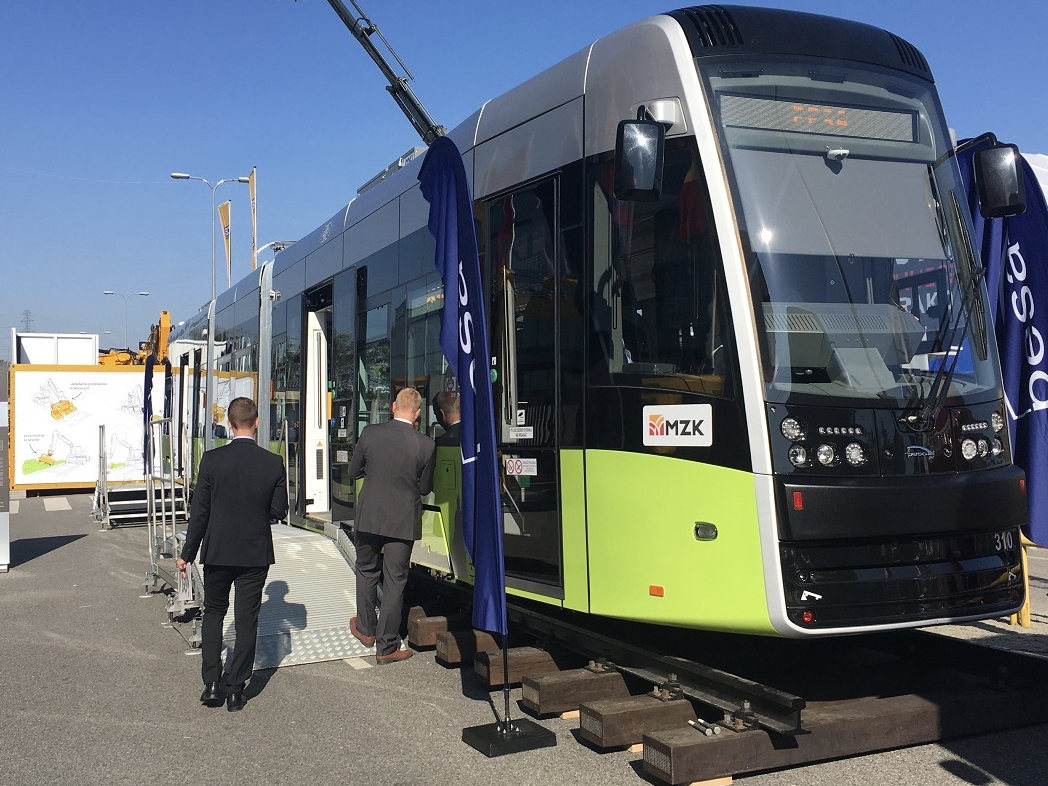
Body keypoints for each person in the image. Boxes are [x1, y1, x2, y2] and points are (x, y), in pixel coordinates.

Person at [176, 397, 289, 711]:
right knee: (246, 619)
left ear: (228, 423)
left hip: (218, 550)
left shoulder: (212, 460)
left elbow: (199, 513)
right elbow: (279, 510)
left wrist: (187, 552)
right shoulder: (272, 462)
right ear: (256, 423)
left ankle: (212, 684)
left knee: (213, 613)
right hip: (254, 552)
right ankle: (238, 689)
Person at [346, 387, 435, 664]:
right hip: (402, 521)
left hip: (369, 516)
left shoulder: (371, 433)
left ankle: (365, 629)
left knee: (366, 570)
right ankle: (386, 647)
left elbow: (353, 471)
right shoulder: (426, 444)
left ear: (394, 407)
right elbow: (425, 488)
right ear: (418, 413)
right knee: (395, 580)